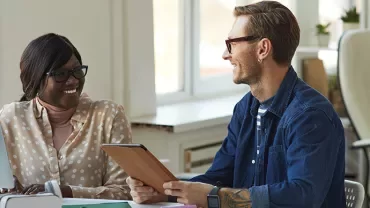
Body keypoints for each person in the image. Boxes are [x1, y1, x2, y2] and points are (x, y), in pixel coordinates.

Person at [127, 1, 346, 207]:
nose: (225, 54)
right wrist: (165, 192)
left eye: (231, 44)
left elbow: (302, 196)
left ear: (262, 49)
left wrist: (215, 197)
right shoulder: (246, 108)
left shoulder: (310, 115)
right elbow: (220, 176)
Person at [0, 33, 133, 200]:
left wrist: (64, 192)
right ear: (35, 78)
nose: (72, 80)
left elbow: (124, 191)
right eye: (60, 74)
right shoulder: (11, 118)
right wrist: (9, 190)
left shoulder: (108, 116)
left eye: (77, 70)